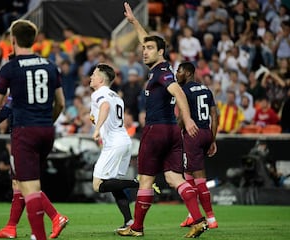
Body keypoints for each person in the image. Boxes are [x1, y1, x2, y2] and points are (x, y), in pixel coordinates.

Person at [117, 3, 207, 238]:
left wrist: (187, 119)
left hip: (156, 130)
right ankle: (198, 220)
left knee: (145, 181)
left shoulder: (162, 72)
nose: (143, 51)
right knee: (173, 177)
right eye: (143, 48)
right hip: (172, 133)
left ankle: (136, 227)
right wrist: (135, 23)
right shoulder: (161, 67)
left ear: (160, 52)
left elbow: (178, 92)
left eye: (148, 49)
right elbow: (147, 39)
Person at [0, 20, 68, 240]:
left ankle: (43, 232)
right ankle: (12, 226)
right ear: (34, 40)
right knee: (22, 181)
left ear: (13, 40)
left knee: (29, 186)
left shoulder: (10, 68)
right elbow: (61, 104)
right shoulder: (50, 66)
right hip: (46, 130)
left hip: (24, 132)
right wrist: (47, 121)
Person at [89, 63, 139, 230]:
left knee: (98, 185)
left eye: (94, 75)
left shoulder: (99, 94)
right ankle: (129, 221)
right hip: (124, 141)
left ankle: (137, 183)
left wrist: (96, 129)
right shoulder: (116, 96)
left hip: (114, 144)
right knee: (113, 184)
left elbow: (105, 106)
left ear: (101, 79)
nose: (91, 77)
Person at [175, 62, 219, 229]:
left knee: (199, 178)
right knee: (188, 174)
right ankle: (192, 215)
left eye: (179, 71)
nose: (177, 74)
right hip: (206, 132)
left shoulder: (183, 91)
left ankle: (211, 219)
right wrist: (212, 139)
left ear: (187, 73)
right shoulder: (206, 90)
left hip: (192, 134)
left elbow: (182, 118)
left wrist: (173, 136)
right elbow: (214, 116)